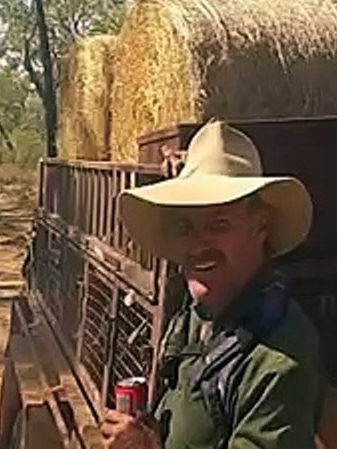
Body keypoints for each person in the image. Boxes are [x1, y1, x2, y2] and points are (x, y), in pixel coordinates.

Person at [100, 119, 324, 449]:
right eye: (186, 228)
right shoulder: (199, 314)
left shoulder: (277, 362)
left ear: (261, 227)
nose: (196, 245)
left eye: (218, 225)